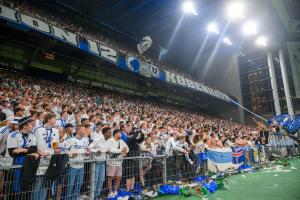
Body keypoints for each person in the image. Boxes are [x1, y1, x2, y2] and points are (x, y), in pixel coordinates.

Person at [6, 116, 39, 199]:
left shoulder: (32, 135)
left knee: (26, 186)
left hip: (28, 164)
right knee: (16, 186)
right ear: (24, 126)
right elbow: (12, 152)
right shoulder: (13, 135)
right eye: (31, 124)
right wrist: (28, 151)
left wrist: (23, 150)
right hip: (15, 164)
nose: (33, 125)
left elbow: (34, 149)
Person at [32, 112, 60, 200]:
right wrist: (40, 152)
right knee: (37, 185)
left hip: (50, 160)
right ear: (48, 119)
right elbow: (34, 144)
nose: (55, 120)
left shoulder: (55, 131)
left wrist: (56, 150)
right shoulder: (38, 130)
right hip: (40, 160)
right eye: (54, 118)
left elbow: (55, 144)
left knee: (46, 184)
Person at [65, 125, 90, 200]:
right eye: (83, 129)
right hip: (72, 166)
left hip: (81, 165)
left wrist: (87, 153)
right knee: (70, 185)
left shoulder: (85, 140)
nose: (85, 131)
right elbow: (65, 150)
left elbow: (86, 150)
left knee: (79, 185)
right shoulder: (71, 139)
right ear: (78, 131)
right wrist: (71, 154)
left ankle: (74, 198)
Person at [88, 126, 111, 199]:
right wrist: (95, 151)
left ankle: (97, 195)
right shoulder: (97, 139)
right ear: (105, 133)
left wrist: (108, 151)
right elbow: (89, 148)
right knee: (95, 180)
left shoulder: (109, 140)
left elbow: (107, 150)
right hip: (96, 162)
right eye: (109, 132)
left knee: (101, 179)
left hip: (103, 162)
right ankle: (92, 196)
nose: (111, 134)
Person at [106, 129, 129, 198]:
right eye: (120, 133)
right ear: (116, 134)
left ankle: (115, 191)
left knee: (119, 177)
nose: (121, 135)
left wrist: (125, 152)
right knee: (110, 178)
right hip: (111, 162)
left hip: (119, 162)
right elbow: (111, 150)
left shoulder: (121, 141)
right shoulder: (110, 140)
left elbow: (127, 148)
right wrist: (121, 150)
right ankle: (110, 192)